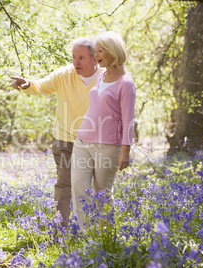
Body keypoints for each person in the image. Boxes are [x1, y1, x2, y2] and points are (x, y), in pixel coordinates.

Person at [11, 37, 104, 227]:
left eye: (81, 58)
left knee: (96, 186)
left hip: (97, 141)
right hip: (66, 141)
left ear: (94, 59)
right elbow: (41, 85)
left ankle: (94, 231)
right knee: (64, 184)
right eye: (73, 57)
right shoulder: (64, 75)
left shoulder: (106, 76)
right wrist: (27, 84)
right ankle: (60, 230)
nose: (76, 62)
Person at [71, 31, 136, 230]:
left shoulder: (126, 84)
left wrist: (126, 150)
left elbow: (128, 120)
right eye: (96, 51)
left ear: (112, 52)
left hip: (107, 146)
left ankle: (106, 240)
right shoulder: (102, 76)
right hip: (82, 141)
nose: (96, 55)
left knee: (102, 194)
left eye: (100, 51)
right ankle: (87, 236)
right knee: (78, 186)